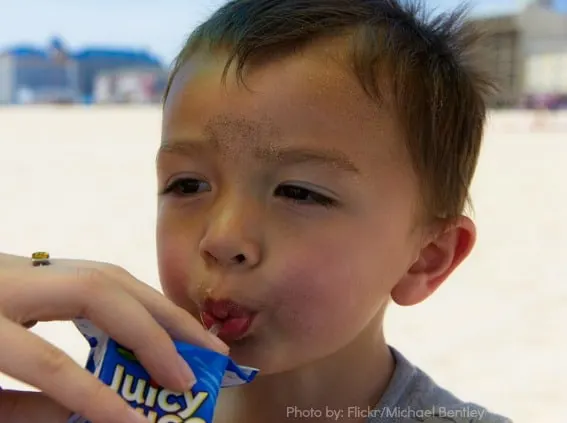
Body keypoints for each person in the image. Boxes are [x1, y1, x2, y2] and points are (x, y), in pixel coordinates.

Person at [0, 1, 512, 422]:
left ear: (426, 257)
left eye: (300, 193)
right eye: (188, 184)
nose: (221, 239)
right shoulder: (95, 408)